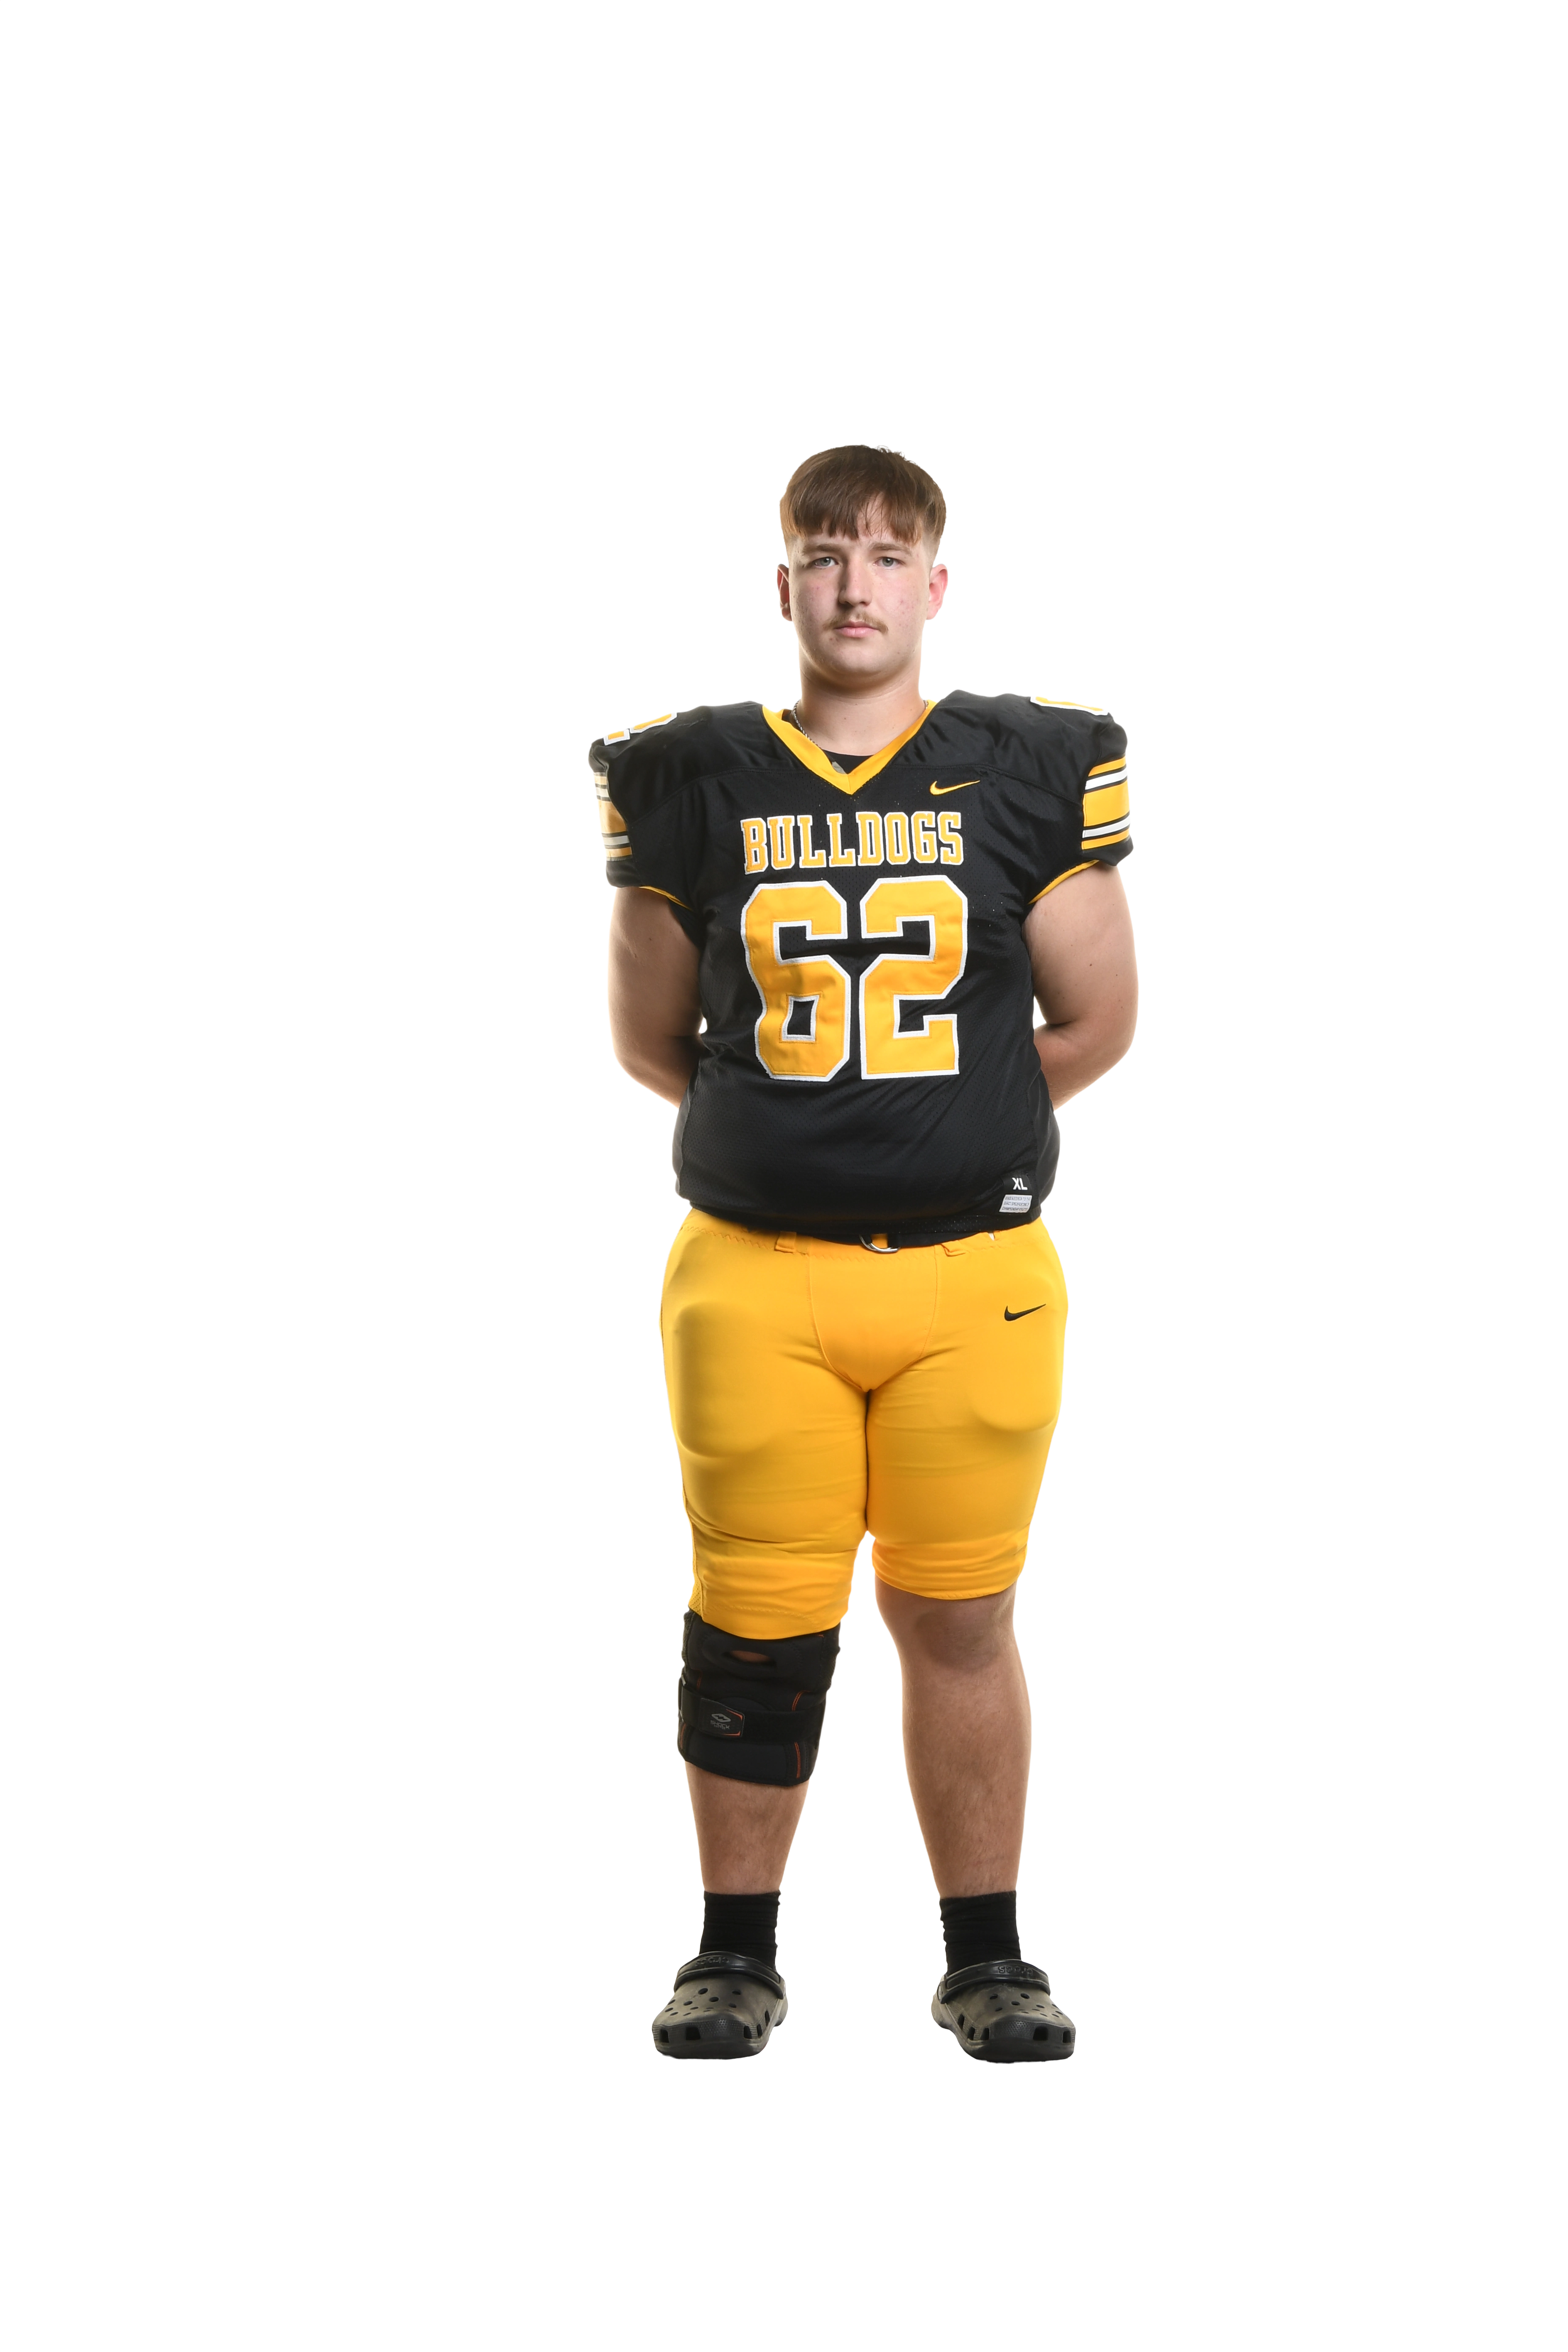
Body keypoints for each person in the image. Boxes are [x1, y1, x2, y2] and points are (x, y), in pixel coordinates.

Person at [596, 444, 1137, 2062]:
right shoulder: (692, 775)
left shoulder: (1029, 766)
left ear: (936, 586)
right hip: (755, 1277)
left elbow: (1097, 1018)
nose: (854, 585)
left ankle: (987, 1962)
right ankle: (733, 1959)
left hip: (976, 1279)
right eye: (825, 553)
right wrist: (814, 1132)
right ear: (785, 581)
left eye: (889, 556)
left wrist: (945, 1120)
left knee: (960, 1618)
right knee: (752, 1626)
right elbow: (651, 1039)